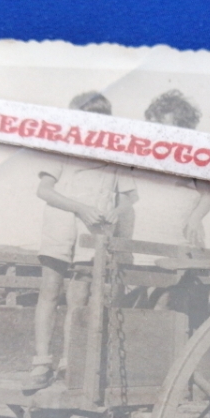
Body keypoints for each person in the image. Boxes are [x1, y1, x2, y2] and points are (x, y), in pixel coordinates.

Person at [27, 91, 137, 390]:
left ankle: (69, 362)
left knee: (79, 297)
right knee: (50, 292)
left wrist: (116, 211)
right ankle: (41, 362)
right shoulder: (60, 148)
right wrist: (79, 208)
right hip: (60, 226)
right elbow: (44, 190)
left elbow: (129, 198)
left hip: (93, 233)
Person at [133, 90, 210, 247]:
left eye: (164, 126)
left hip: (179, 233)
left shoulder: (192, 157)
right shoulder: (140, 153)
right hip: (143, 230)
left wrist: (196, 219)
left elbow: (208, 196)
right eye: (153, 125)